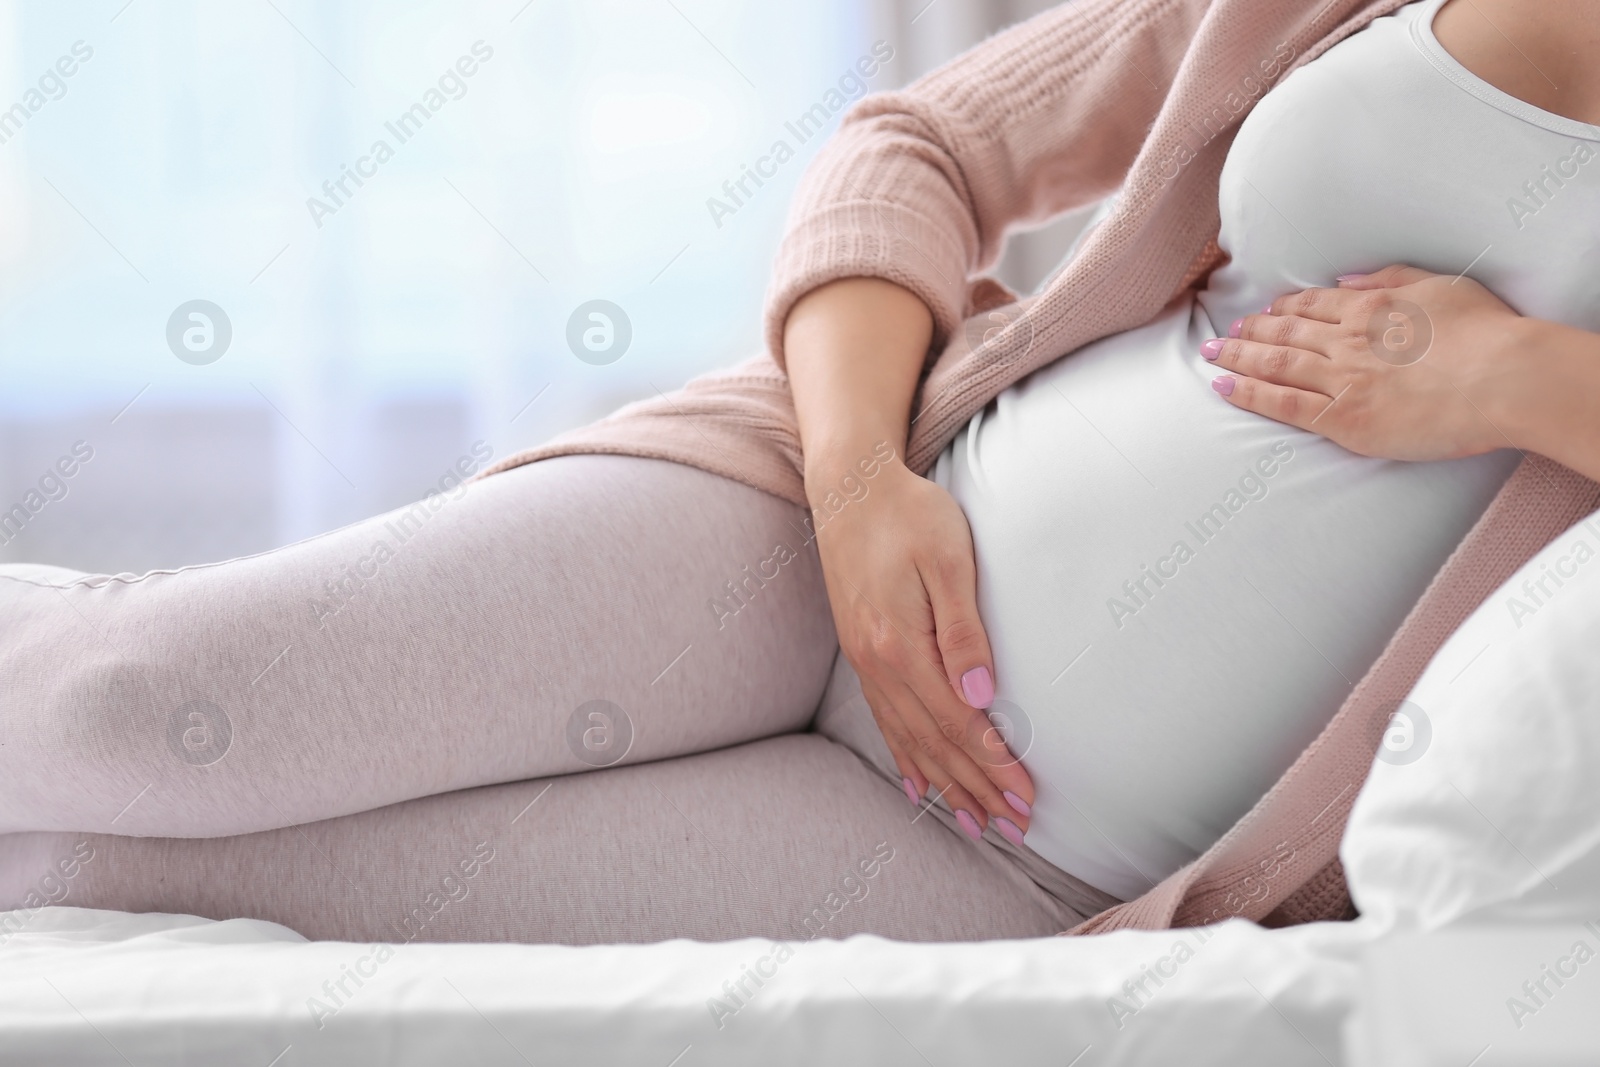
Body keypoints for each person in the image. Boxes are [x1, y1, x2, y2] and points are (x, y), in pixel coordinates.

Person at [2, 0, 1597, 944]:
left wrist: (1523, 379)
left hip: (1016, 856)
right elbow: (921, 145)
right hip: (817, 523)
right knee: (124, 711)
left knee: (110, 874)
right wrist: (856, 486)